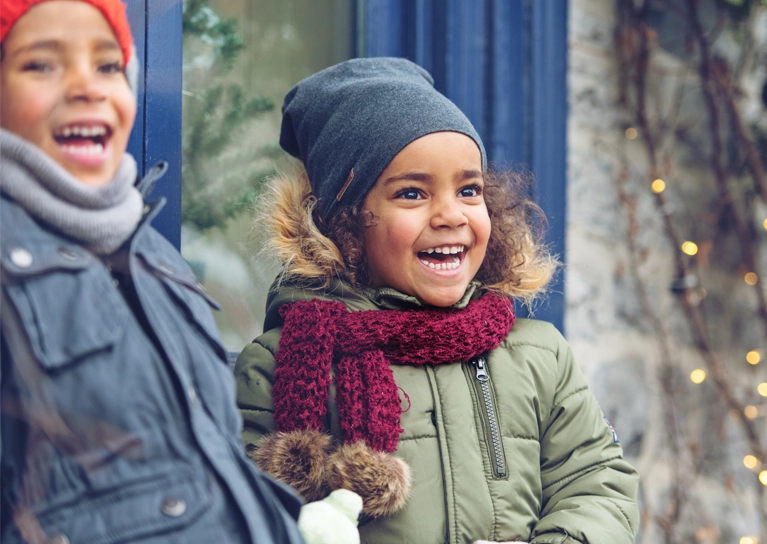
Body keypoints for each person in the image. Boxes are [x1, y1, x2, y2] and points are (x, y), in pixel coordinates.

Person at [235, 57, 640, 544]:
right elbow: (247, 512)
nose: (451, 214)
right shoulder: (282, 363)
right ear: (345, 222)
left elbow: (598, 484)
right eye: (411, 193)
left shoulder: (538, 354)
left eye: (469, 189)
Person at [0, 1, 306, 543]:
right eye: (41, 65)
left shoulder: (153, 256)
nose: (87, 87)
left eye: (107, 64)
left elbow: (211, 464)